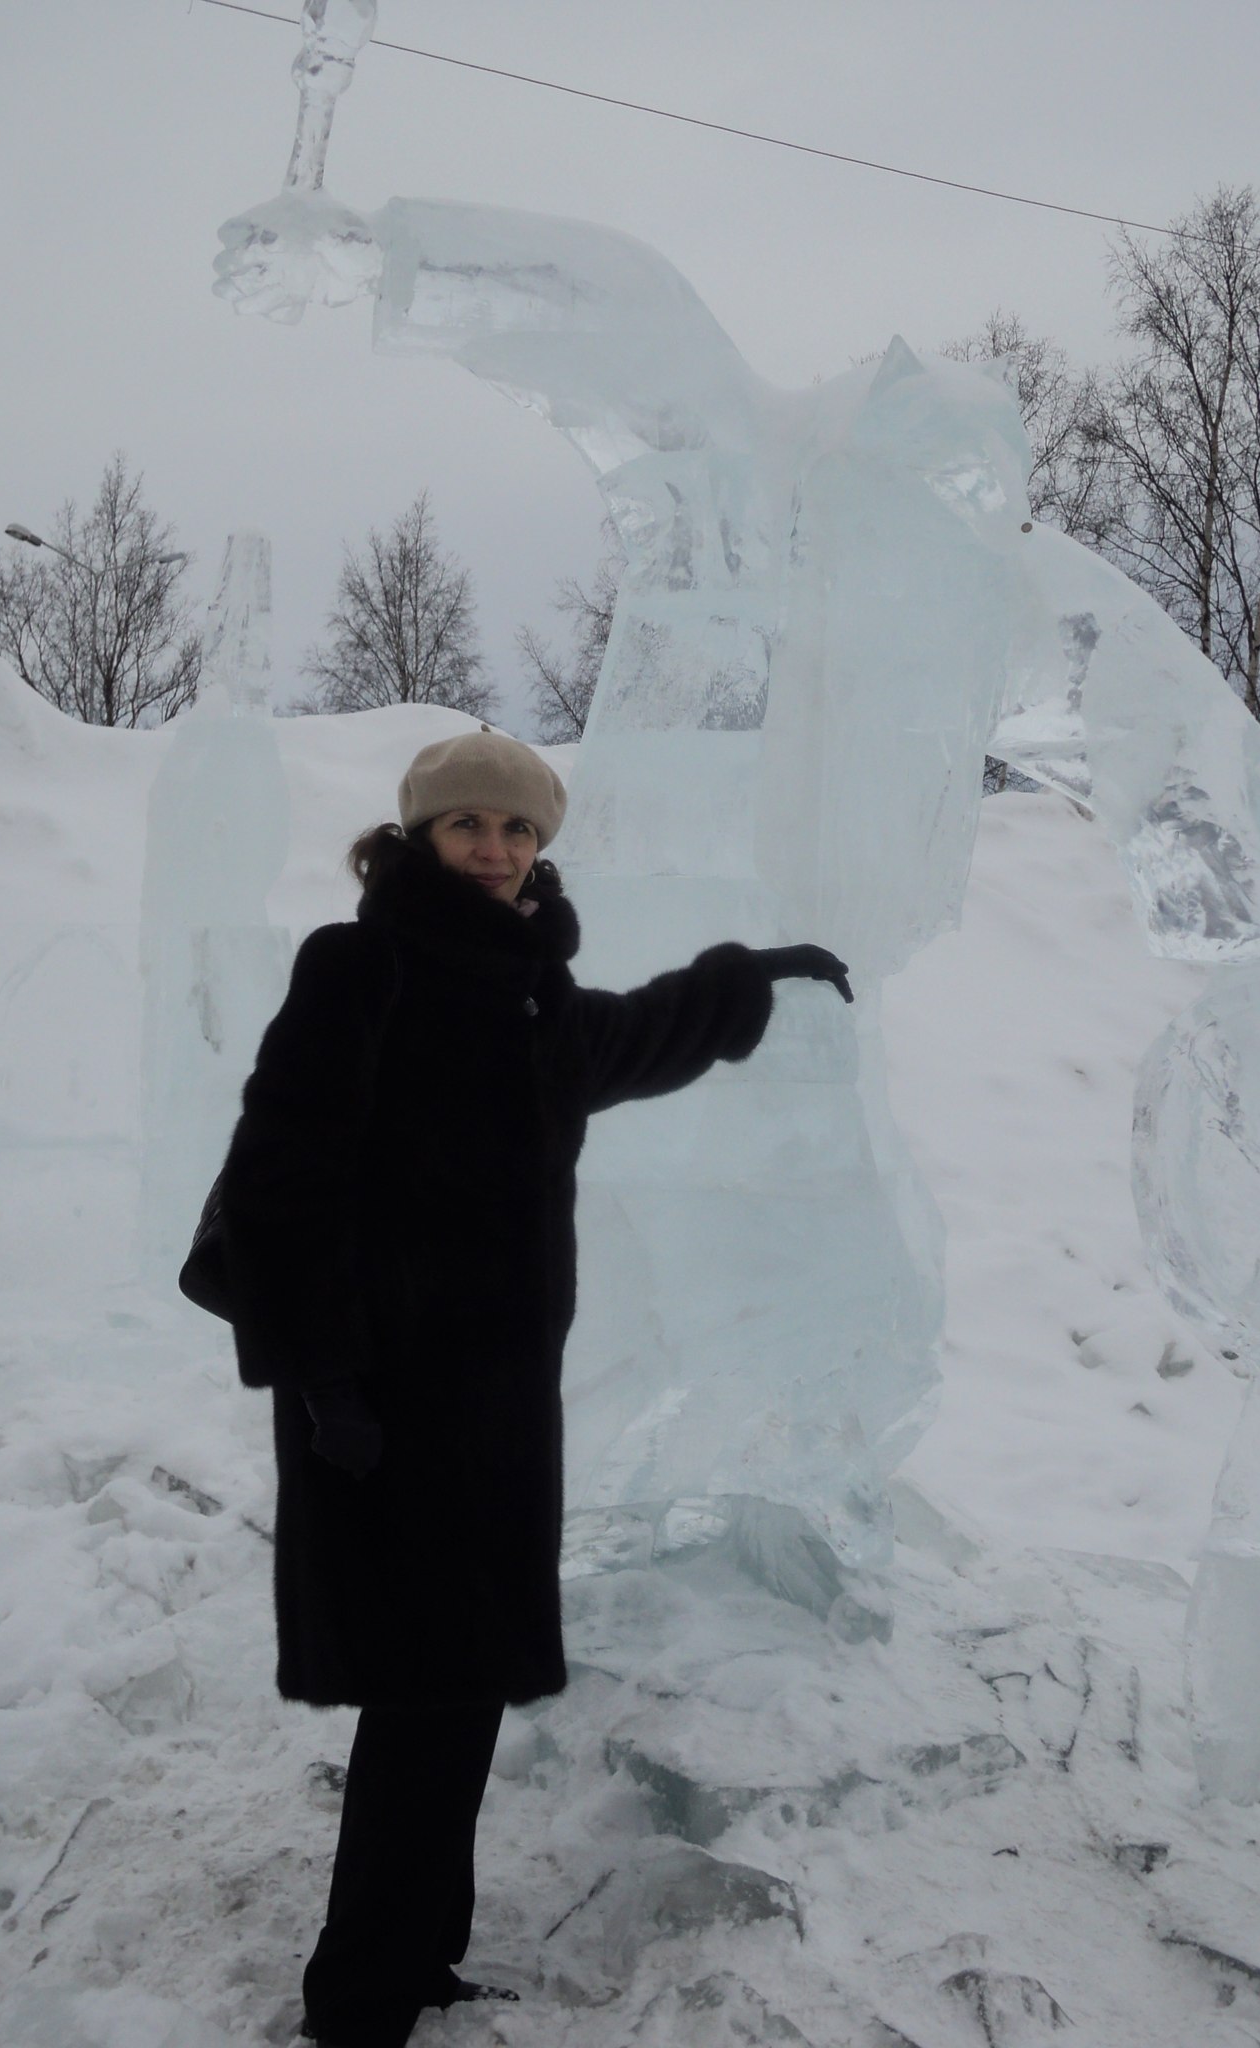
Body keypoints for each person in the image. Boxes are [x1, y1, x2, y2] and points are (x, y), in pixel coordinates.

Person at [216, 728, 851, 2048]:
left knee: (458, 1694)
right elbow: (283, 1176)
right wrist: (325, 1378)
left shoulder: (531, 998)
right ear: (420, 836)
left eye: (518, 831)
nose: (496, 850)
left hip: (496, 1408)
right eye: (470, 825)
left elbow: (637, 1036)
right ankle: (358, 2003)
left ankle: (418, 1960)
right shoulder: (362, 968)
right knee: (419, 1700)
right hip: (382, 1403)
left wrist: (748, 980)